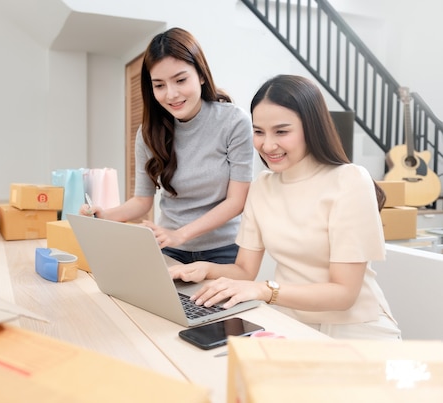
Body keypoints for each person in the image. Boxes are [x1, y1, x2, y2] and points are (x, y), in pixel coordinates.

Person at [170, 74, 401, 340]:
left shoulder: (349, 180)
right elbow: (244, 270)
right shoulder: (261, 187)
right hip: (291, 324)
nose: (267, 145)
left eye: (282, 131)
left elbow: (343, 294)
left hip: (355, 329)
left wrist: (265, 290)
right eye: (258, 132)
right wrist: (206, 270)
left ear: (311, 127)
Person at [80, 27, 254, 264]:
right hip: (169, 249)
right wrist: (105, 215)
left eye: (180, 80)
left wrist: (180, 234)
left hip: (223, 250)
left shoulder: (234, 122)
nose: (171, 94)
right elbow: (142, 201)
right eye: (159, 85)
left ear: (201, 75)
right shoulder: (148, 133)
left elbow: (237, 201)